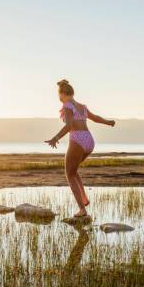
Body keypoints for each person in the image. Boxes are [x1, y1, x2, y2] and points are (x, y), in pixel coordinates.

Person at [45, 79, 115, 217]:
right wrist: (108, 122)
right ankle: (84, 199)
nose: (59, 98)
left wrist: (55, 138)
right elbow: (95, 118)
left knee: (69, 175)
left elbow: (69, 126)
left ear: (62, 94)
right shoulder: (82, 106)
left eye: (59, 95)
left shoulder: (67, 106)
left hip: (77, 139)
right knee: (73, 171)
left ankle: (82, 210)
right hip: (89, 140)